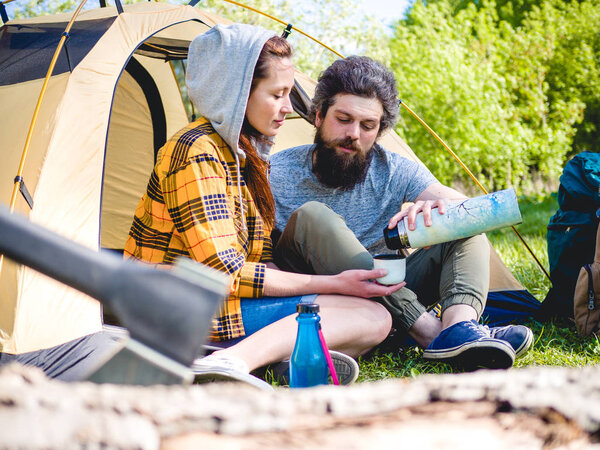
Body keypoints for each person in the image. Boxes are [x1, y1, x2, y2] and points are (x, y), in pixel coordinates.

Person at [123, 26, 397, 386]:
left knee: (362, 315)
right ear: (238, 93)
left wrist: (329, 287)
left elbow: (258, 257)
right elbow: (229, 274)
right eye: (278, 94)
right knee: (371, 319)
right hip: (175, 305)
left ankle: (277, 359)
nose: (288, 107)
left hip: (218, 303)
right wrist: (332, 283)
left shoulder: (245, 155)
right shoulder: (196, 152)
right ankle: (229, 361)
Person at [269, 56, 534, 370]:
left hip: (390, 300)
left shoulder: (392, 168)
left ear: (380, 130)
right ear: (318, 116)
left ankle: (459, 329)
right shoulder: (274, 171)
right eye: (343, 119)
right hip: (323, 301)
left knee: (465, 225)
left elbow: (468, 208)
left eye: (368, 125)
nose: (354, 133)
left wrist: (440, 207)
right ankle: (431, 333)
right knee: (315, 216)